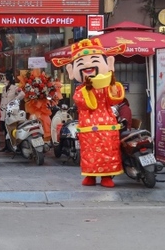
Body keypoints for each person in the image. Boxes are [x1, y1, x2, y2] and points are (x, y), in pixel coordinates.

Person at [51, 38, 126, 188]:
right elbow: (83, 103)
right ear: (72, 71)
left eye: (94, 60)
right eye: (81, 63)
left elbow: (115, 99)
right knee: (89, 154)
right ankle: (90, 176)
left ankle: (106, 176)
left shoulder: (106, 87)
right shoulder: (80, 90)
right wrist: (88, 89)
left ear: (109, 64)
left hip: (107, 126)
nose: (87, 65)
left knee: (108, 152)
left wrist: (111, 83)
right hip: (88, 126)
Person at [0, 71, 19, 153]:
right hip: (3, 112)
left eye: (4, 79)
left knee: (11, 129)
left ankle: (13, 145)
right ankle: (7, 146)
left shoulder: (15, 88)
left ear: (8, 80)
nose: (3, 80)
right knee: (5, 128)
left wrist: (14, 101)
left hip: (11, 111)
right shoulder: (4, 88)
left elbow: (22, 94)